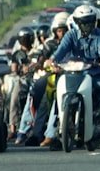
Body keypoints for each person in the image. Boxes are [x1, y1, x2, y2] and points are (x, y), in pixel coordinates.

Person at [42, 4, 100, 150]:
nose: (87, 25)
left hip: (95, 74)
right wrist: (52, 60)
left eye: (90, 22)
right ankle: (55, 135)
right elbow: (60, 51)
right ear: (77, 23)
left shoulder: (99, 35)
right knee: (57, 100)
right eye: (84, 22)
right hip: (73, 75)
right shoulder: (71, 35)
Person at [15, 12, 69, 146]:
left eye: (64, 30)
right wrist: (35, 66)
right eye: (59, 31)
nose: (62, 33)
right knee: (35, 95)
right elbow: (41, 59)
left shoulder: (73, 41)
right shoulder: (50, 44)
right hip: (51, 77)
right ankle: (26, 131)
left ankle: (50, 133)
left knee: (58, 101)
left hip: (70, 76)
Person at [7, 26, 37, 140]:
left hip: (36, 79)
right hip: (22, 80)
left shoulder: (36, 51)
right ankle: (12, 127)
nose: (25, 42)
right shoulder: (17, 54)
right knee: (13, 98)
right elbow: (14, 69)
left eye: (27, 39)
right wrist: (21, 70)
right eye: (23, 39)